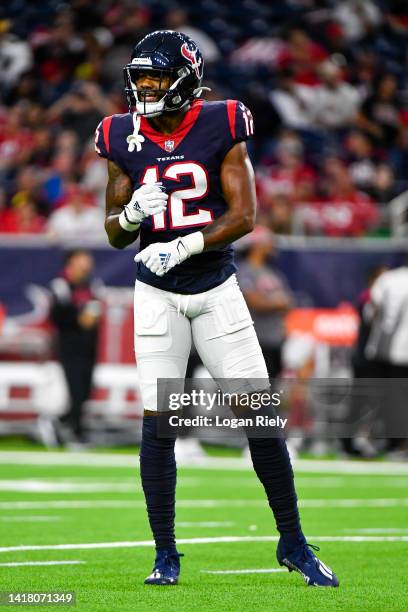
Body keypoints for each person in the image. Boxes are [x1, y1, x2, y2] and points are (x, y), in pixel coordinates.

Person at [96, 30, 338, 587]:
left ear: (182, 79)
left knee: (260, 419)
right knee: (159, 427)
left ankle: (294, 541)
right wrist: (131, 216)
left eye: (154, 77)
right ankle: (165, 554)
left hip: (214, 290)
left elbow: (245, 214)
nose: (143, 87)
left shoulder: (222, 121)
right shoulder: (118, 134)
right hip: (156, 295)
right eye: (139, 78)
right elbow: (112, 231)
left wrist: (185, 242)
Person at [49, 249, 101, 444]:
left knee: (86, 391)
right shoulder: (60, 286)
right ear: (70, 263)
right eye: (82, 260)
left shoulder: (93, 285)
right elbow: (56, 317)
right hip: (69, 346)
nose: (87, 264)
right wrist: (78, 319)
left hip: (89, 346)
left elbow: (95, 312)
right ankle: (76, 431)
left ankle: (60, 422)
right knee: (76, 390)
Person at [237, 226, 293, 379]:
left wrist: (273, 302)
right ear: (257, 245)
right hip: (256, 340)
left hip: (276, 338)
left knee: (273, 384)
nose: (271, 245)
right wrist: (277, 302)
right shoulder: (244, 271)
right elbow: (254, 301)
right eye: (268, 241)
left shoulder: (273, 272)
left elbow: (289, 303)